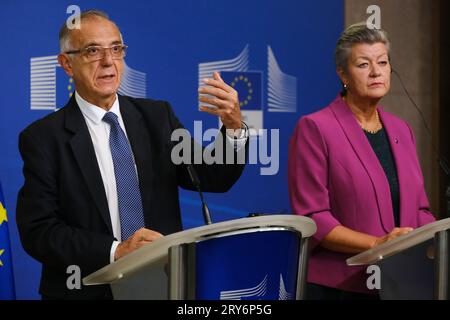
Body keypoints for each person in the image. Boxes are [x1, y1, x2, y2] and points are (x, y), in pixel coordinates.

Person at [16, 10, 248, 300]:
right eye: (92, 51)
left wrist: (234, 127)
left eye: (116, 49)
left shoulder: (157, 117)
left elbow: (212, 176)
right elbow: (39, 231)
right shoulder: (43, 138)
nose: (108, 61)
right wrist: (116, 251)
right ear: (67, 64)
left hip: (163, 286)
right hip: (86, 291)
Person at [288, 23, 435, 299]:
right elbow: (313, 218)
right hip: (340, 286)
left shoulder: (402, 129)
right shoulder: (315, 128)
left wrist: (435, 238)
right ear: (342, 73)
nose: (376, 71)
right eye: (363, 64)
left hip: (401, 283)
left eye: (383, 62)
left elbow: (420, 210)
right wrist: (379, 243)